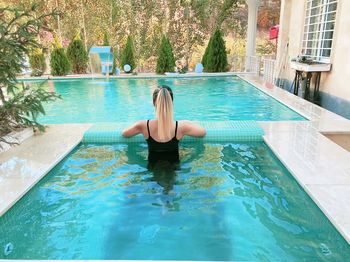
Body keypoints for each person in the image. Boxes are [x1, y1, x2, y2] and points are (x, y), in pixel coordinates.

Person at [122, 85, 206, 165]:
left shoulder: (144, 125)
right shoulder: (180, 127)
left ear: (154, 103)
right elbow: (202, 132)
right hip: (174, 170)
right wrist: (187, 122)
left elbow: (125, 134)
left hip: (152, 170)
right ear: (171, 103)